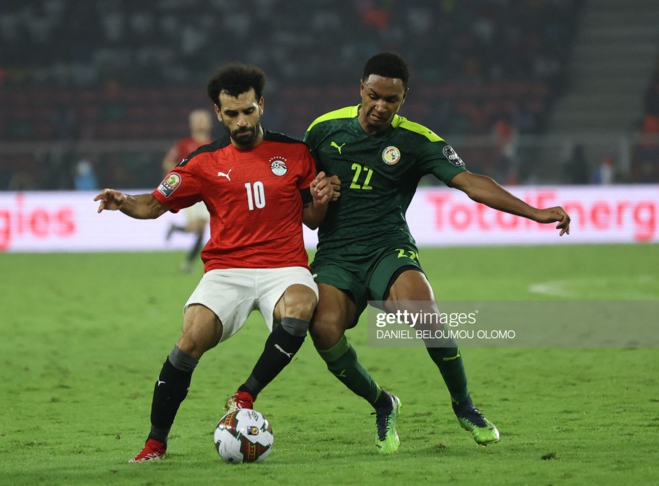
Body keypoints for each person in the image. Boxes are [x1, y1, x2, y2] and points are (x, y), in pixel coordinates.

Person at [304, 52, 571, 454]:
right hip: (336, 256)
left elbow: (470, 182)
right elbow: (304, 205)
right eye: (374, 95)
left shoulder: (416, 140)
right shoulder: (323, 130)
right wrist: (318, 201)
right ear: (361, 88)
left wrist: (533, 212)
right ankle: (382, 402)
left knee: (426, 313)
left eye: (391, 100)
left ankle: (464, 405)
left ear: (404, 99)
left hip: (387, 248)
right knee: (323, 330)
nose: (380, 106)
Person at [95, 63, 337, 463]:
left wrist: (322, 200)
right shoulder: (203, 162)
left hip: (284, 265)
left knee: (299, 308)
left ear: (261, 105)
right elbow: (154, 204)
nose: (241, 121)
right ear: (218, 113)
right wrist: (124, 203)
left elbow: (312, 219)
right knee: (190, 339)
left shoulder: (295, 154)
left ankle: (245, 395)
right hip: (227, 270)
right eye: (232, 114)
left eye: (248, 111)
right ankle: (155, 443)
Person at [162, 109, 214, 273]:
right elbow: (168, 162)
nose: (200, 122)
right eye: (197, 119)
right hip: (191, 193)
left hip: (207, 193)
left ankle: (187, 262)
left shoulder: (214, 145)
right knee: (197, 227)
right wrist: (181, 179)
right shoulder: (183, 144)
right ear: (191, 124)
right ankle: (188, 263)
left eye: (203, 119)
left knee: (200, 228)